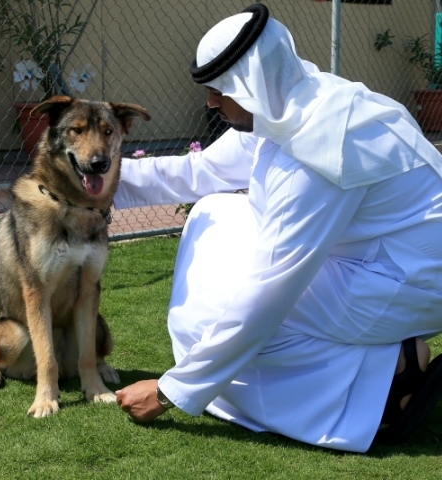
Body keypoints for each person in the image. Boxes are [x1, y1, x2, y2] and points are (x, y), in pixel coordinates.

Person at [114, 3, 442, 452]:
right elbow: (200, 173)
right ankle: (379, 365)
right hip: (379, 264)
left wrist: (172, 391)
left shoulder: (321, 145)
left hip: (408, 284)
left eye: (218, 89)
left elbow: (268, 292)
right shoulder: (294, 104)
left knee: (226, 308)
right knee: (214, 213)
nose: (210, 102)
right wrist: (95, 181)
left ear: (251, 83)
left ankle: (382, 391)